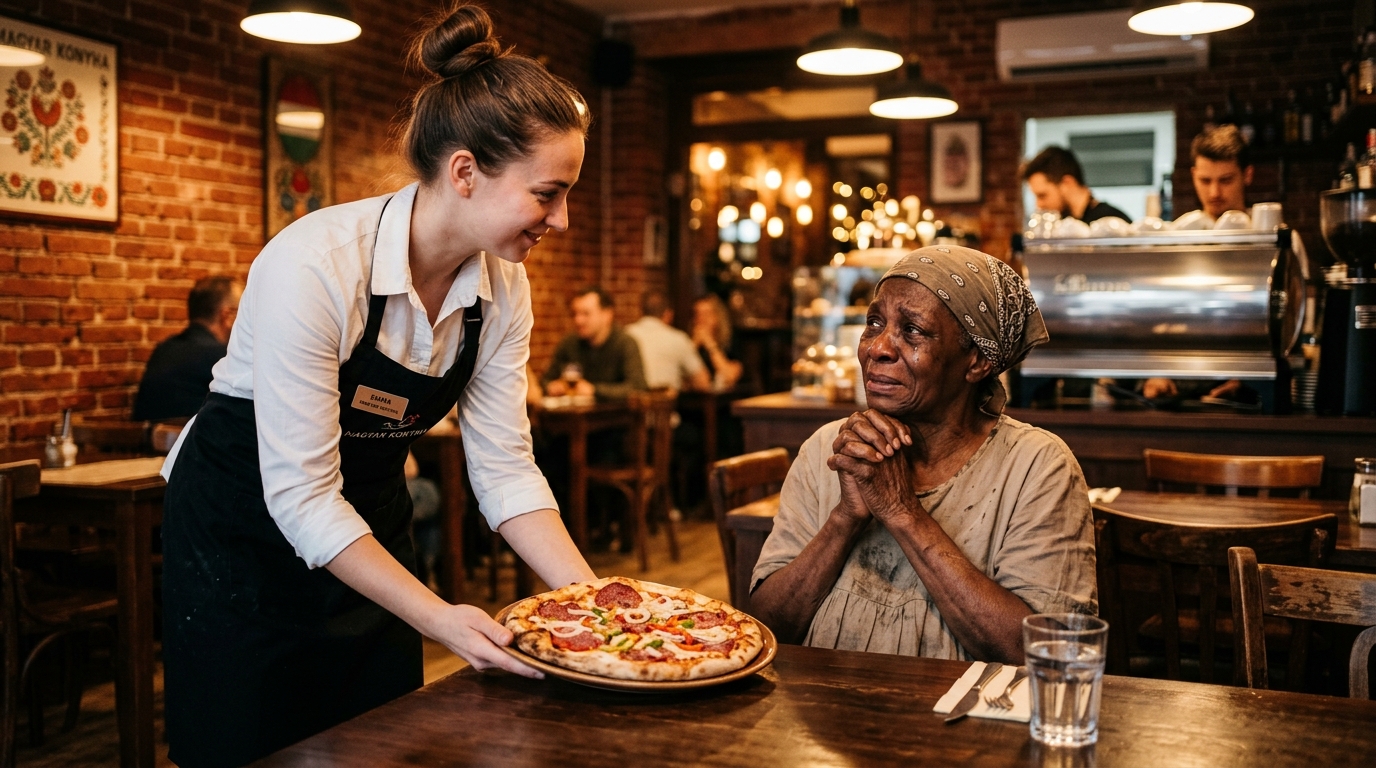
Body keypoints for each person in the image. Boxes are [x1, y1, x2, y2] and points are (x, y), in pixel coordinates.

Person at [157, 7, 596, 766]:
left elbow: (503, 467)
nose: (561, 219)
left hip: (367, 520)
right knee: (251, 741)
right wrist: (441, 619)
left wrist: (592, 603)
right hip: (243, 533)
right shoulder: (316, 264)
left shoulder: (503, 288)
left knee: (386, 739)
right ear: (465, 172)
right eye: (548, 193)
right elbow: (298, 494)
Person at [750, 246, 1097, 663]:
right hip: (823, 715)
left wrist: (901, 511)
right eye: (874, 323)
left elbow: (1047, 654)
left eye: (912, 330)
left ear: (977, 361)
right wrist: (844, 519)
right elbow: (763, 629)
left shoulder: (1036, 467)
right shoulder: (829, 449)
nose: (877, 348)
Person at [131, 275, 240, 421]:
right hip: (188, 442)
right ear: (226, 316)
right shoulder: (223, 357)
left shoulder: (163, 349)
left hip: (142, 443)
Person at [542, 286, 647, 401]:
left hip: (615, 417)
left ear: (607, 315)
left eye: (586, 314)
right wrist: (551, 387)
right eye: (575, 314)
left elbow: (637, 388)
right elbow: (544, 381)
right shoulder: (569, 343)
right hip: (574, 417)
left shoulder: (625, 343)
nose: (578, 320)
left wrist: (594, 390)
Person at [1021, 146, 1131, 224]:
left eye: (1042, 195)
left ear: (1067, 183)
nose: (1038, 205)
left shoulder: (1111, 222)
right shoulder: (1062, 225)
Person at [625, 290, 710, 392]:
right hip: (665, 404)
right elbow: (703, 383)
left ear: (641, 311)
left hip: (629, 404)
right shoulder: (678, 338)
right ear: (668, 314)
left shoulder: (626, 334)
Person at [1190, 124, 1253, 219]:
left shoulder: (1270, 231)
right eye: (1205, 181)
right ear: (1194, 176)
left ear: (1247, 175)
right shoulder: (1178, 231)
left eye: (1225, 180)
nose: (1214, 193)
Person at [691, 294, 743, 391]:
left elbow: (729, 376)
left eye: (706, 314)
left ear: (718, 317)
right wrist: (693, 346)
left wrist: (710, 345)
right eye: (697, 314)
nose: (701, 319)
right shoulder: (689, 344)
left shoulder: (731, 341)